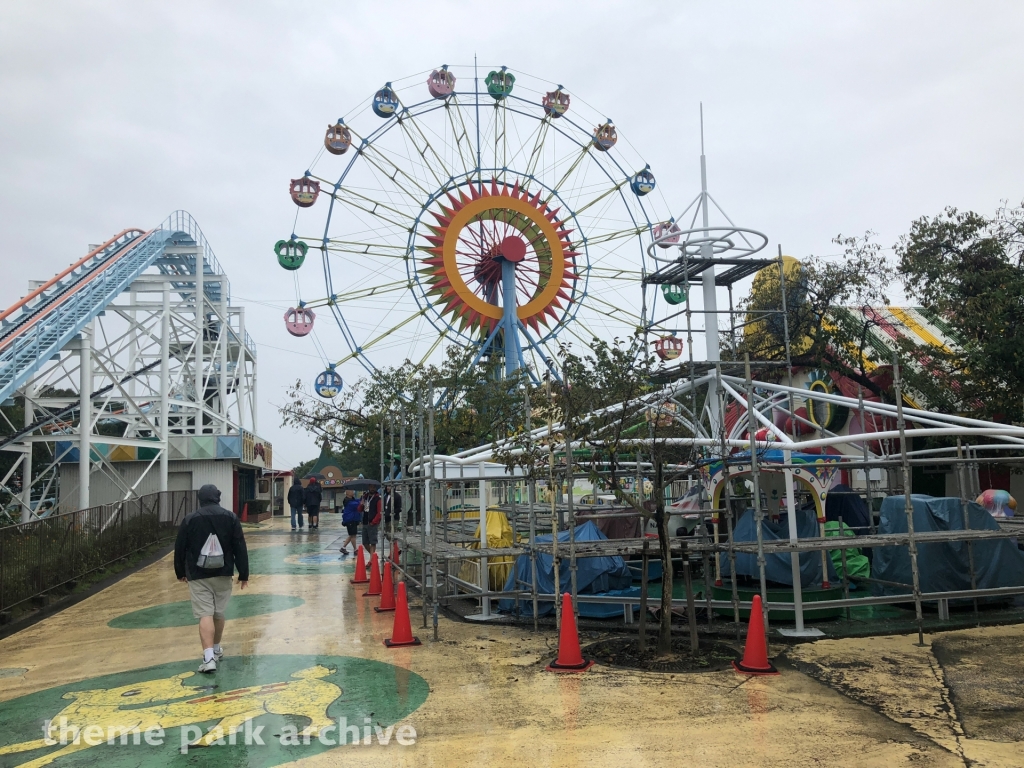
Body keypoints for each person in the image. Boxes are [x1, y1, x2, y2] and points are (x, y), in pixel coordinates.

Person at [174, 484, 249, 673]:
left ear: (200, 499)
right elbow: (239, 546)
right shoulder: (230, 517)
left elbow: (180, 547)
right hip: (224, 573)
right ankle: (216, 649)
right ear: (218, 498)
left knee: (204, 614)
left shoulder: (190, 519)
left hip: (197, 574)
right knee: (218, 613)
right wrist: (244, 573)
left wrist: (180, 572)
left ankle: (208, 659)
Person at [360, 485, 383, 560]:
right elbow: (359, 509)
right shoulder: (365, 497)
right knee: (365, 542)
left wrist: (374, 522)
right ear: (368, 488)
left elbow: (380, 512)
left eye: (374, 487)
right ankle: (373, 557)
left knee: (373, 542)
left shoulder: (377, 499)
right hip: (365, 522)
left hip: (372, 523)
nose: (372, 489)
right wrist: (361, 504)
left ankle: (371, 560)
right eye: (371, 487)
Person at [340, 489, 361, 556]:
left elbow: (356, 501)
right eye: (351, 491)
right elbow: (357, 504)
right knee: (353, 535)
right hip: (351, 520)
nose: (353, 492)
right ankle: (355, 549)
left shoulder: (351, 500)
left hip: (352, 519)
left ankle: (343, 547)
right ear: (347, 492)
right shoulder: (348, 502)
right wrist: (362, 500)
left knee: (351, 535)